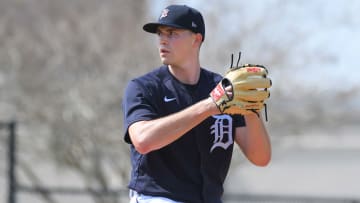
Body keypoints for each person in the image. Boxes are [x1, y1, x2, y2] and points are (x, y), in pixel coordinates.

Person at [122, 4, 271, 203]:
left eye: (172, 32)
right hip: (157, 197)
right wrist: (209, 106)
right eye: (160, 33)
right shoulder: (144, 88)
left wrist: (251, 109)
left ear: (196, 38)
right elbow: (142, 141)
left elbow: (260, 158)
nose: (163, 40)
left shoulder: (223, 89)